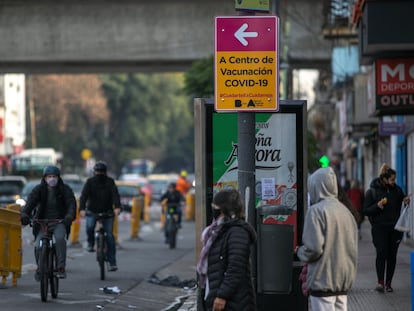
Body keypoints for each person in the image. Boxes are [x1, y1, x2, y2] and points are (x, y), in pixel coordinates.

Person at [297, 167, 358, 311]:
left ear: (316, 186)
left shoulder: (316, 211)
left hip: (322, 281)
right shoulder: (346, 212)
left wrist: (300, 252)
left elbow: (314, 249)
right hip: (342, 284)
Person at [197, 189, 257, 311]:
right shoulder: (217, 231)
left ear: (224, 208)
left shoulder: (237, 232)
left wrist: (222, 295)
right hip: (217, 295)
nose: (213, 208)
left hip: (233, 301)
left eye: (216, 205)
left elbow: (235, 268)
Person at [20, 165, 76, 280]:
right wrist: (25, 214)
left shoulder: (65, 189)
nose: (52, 179)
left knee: (60, 239)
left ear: (58, 177)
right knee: (37, 245)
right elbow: (30, 203)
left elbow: (71, 204)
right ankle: (40, 268)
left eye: (54, 176)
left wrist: (69, 216)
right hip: (41, 223)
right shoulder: (39, 189)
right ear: (45, 178)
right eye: (49, 176)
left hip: (59, 221)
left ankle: (60, 267)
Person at [362, 163, 410, 293]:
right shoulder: (372, 191)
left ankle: (388, 283)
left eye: (395, 179)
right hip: (379, 228)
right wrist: (377, 206)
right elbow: (365, 211)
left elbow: (402, 203)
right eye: (392, 179)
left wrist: (405, 202)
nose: (394, 182)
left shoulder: (397, 190)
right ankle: (380, 282)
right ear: (384, 179)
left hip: (395, 229)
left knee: (392, 255)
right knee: (381, 253)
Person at [79, 161, 121, 271]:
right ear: (94, 172)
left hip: (107, 212)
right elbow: (84, 196)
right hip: (92, 211)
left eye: (101, 171)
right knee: (89, 227)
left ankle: (112, 262)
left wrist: (117, 207)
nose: (99, 173)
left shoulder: (110, 182)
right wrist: (82, 209)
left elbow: (115, 195)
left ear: (105, 172)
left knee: (110, 236)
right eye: (97, 171)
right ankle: (91, 243)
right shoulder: (90, 182)